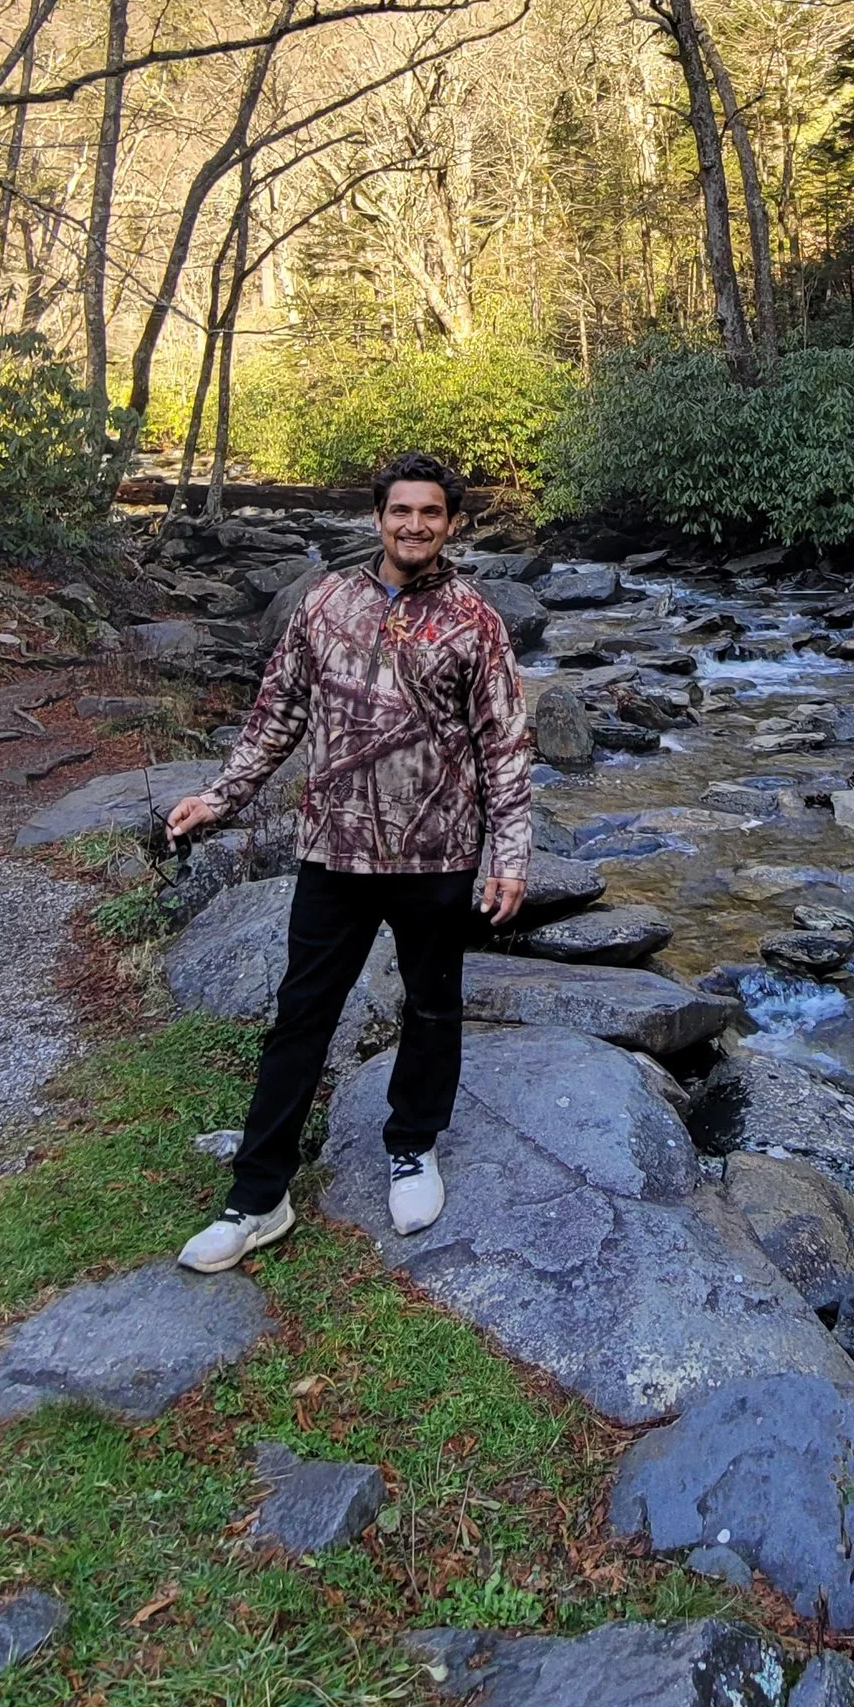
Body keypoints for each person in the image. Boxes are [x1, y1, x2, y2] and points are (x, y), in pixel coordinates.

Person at [164, 450, 531, 1265]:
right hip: (334, 849)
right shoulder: (326, 602)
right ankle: (257, 1196)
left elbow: (504, 744)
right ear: (379, 518)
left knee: (432, 1009)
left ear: (449, 523)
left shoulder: (474, 619)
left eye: (430, 513)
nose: (414, 524)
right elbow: (278, 711)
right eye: (401, 510)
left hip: (437, 853)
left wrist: (509, 853)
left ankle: (413, 1142)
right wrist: (220, 795)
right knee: (301, 1016)